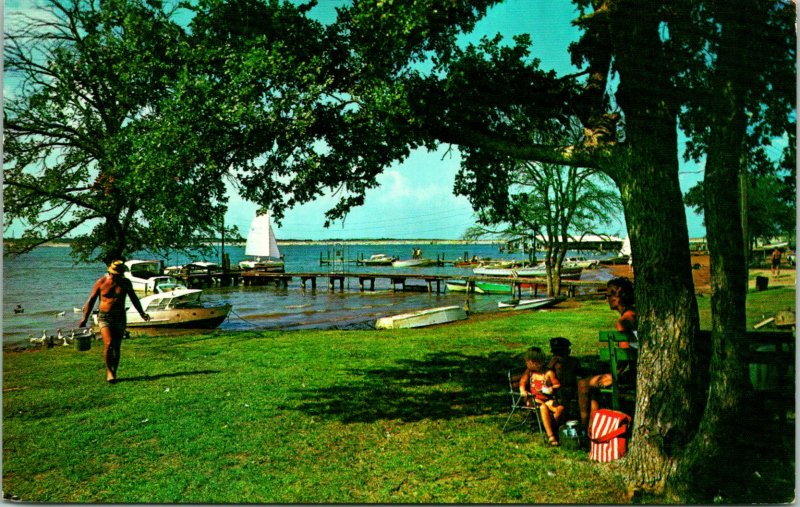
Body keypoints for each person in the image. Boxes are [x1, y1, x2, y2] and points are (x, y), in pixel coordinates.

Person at [577, 277, 637, 429]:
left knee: (583, 384)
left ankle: (584, 427)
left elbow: (625, 355)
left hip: (632, 375)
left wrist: (614, 374)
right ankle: (593, 427)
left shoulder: (624, 321)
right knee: (595, 389)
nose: (607, 299)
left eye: (610, 295)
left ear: (619, 297)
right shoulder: (637, 314)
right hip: (641, 370)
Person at [78, 260, 150, 384]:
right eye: (113, 273)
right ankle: (109, 371)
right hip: (104, 317)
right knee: (109, 343)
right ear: (109, 272)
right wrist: (84, 318)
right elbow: (91, 300)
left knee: (116, 346)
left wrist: (142, 313)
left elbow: (134, 298)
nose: (115, 276)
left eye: (118, 274)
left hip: (120, 317)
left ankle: (114, 371)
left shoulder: (125, 283)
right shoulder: (101, 282)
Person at [519, 346, 566, 446]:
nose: (526, 364)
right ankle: (551, 436)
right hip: (533, 399)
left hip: (546, 398)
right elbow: (522, 382)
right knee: (543, 407)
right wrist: (523, 390)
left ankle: (550, 427)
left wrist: (551, 389)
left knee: (560, 408)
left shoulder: (548, 373)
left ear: (534, 362)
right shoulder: (529, 372)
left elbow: (557, 384)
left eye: (527, 362)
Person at [547, 337, 584, 413]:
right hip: (558, 388)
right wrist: (551, 365)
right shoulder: (554, 363)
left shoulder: (573, 361)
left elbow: (580, 373)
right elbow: (547, 375)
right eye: (556, 353)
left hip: (572, 387)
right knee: (562, 393)